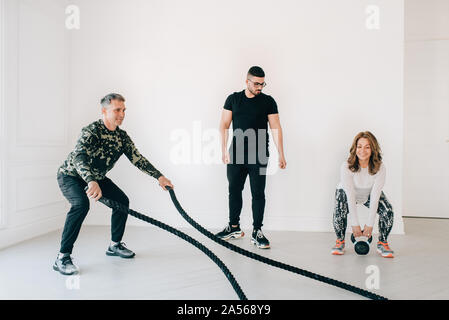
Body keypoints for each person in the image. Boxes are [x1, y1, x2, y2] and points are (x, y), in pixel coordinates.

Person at [54, 93, 173, 275]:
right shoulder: (91, 131)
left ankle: (114, 245)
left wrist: (159, 177)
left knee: (122, 202)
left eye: (124, 110)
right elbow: (79, 157)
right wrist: (91, 181)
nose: (122, 114)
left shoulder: (122, 137)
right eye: (117, 110)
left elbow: (137, 159)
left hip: (97, 177)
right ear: (104, 111)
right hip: (71, 175)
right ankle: (62, 257)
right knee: (81, 204)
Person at [216, 66, 286, 249]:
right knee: (234, 190)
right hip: (236, 155)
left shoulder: (268, 102)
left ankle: (257, 231)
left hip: (259, 154)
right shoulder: (233, 99)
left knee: (258, 193)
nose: (260, 87)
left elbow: (276, 128)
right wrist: (223, 150)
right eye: (256, 83)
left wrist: (281, 154)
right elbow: (223, 124)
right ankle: (233, 227)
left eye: (262, 84)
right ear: (246, 81)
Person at [331, 131, 394, 258]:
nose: (362, 151)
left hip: (369, 193)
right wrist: (355, 224)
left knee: (388, 211)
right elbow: (350, 195)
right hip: (347, 193)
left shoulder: (380, 167)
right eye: (359, 146)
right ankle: (340, 240)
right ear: (355, 148)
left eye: (367, 147)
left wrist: (369, 225)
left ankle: (382, 243)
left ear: (373, 149)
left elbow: (376, 196)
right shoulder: (346, 166)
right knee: (339, 210)